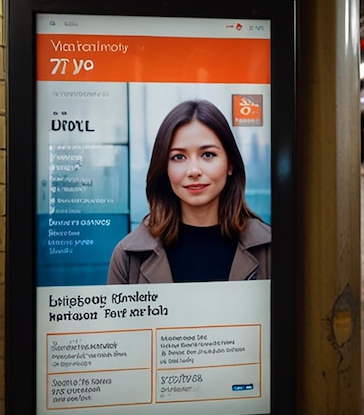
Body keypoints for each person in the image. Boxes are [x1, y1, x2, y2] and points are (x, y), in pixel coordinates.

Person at [108, 99, 270, 284]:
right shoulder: (128, 256)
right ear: (164, 168)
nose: (194, 171)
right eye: (178, 157)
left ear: (230, 164)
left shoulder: (271, 248)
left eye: (208, 154)